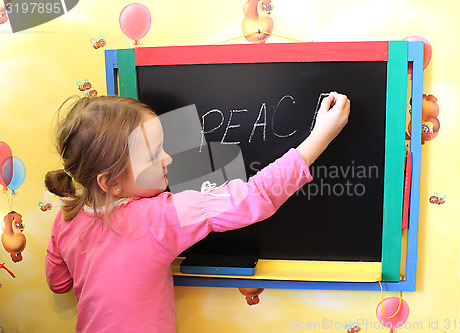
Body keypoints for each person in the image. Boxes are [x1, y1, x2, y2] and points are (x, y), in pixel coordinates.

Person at [45, 92, 350, 333]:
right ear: (110, 181)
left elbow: (57, 283)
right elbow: (255, 196)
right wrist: (320, 137)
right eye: (154, 155)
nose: (167, 158)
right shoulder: (158, 218)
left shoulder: (66, 217)